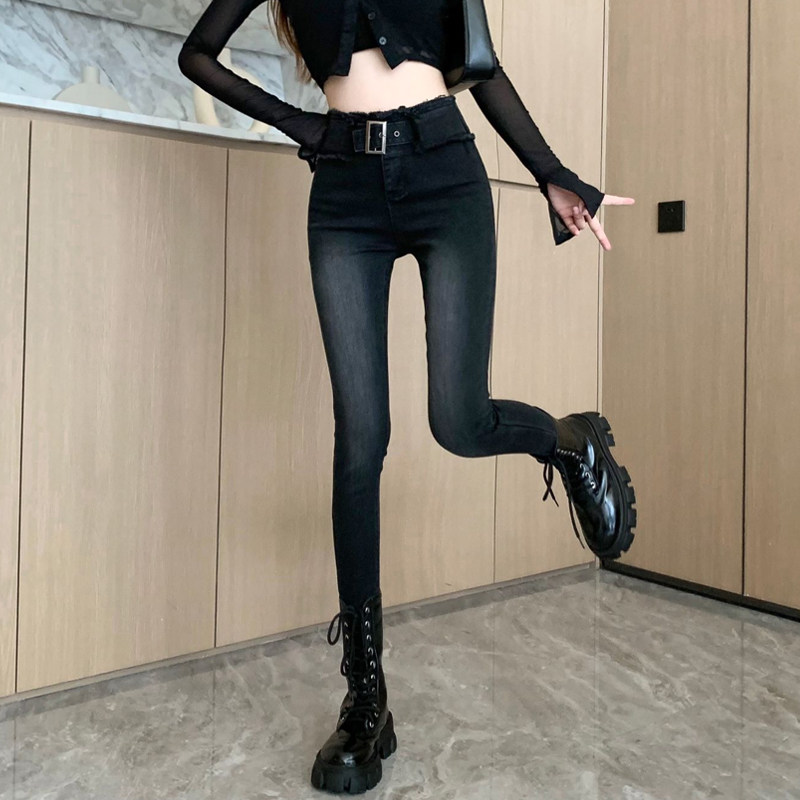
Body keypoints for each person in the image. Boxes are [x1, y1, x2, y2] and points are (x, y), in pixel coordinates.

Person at [178, 0, 638, 793]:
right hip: (344, 195)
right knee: (359, 440)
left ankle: (569, 442)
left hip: (443, 173)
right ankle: (366, 702)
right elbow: (199, 54)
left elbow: (483, 69)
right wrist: (302, 125)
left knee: (459, 421)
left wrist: (552, 174)